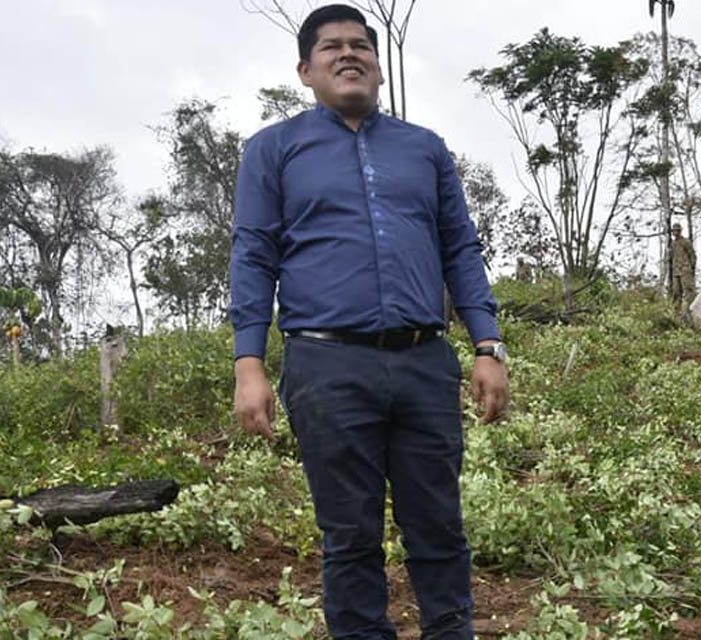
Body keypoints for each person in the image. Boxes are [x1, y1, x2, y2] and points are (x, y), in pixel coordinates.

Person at [229, 5, 508, 638]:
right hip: (326, 365)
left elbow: (460, 249)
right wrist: (250, 363)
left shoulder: (425, 150)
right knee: (350, 535)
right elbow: (253, 254)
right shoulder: (274, 150)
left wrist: (488, 345)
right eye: (332, 47)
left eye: (362, 46)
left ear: (379, 68)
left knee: (438, 525)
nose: (349, 54)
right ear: (305, 70)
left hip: (423, 362)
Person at [670, 221, 696, 311]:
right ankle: (676, 311)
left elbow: (692, 255)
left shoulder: (686, 242)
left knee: (688, 291)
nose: (675, 233)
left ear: (680, 231)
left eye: (677, 231)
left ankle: (691, 309)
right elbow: (671, 257)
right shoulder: (673, 244)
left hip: (685, 270)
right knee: (676, 292)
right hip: (676, 271)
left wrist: (691, 268)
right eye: (674, 231)